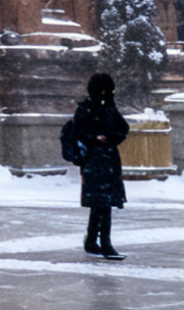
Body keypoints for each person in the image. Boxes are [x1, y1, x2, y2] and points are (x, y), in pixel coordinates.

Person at [62, 71, 129, 260]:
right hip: (95, 161)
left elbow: (123, 129)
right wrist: (96, 139)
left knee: (101, 204)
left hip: (105, 162)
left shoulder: (106, 108)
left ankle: (92, 240)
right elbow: (79, 133)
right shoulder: (87, 110)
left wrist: (109, 138)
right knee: (103, 204)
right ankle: (105, 244)